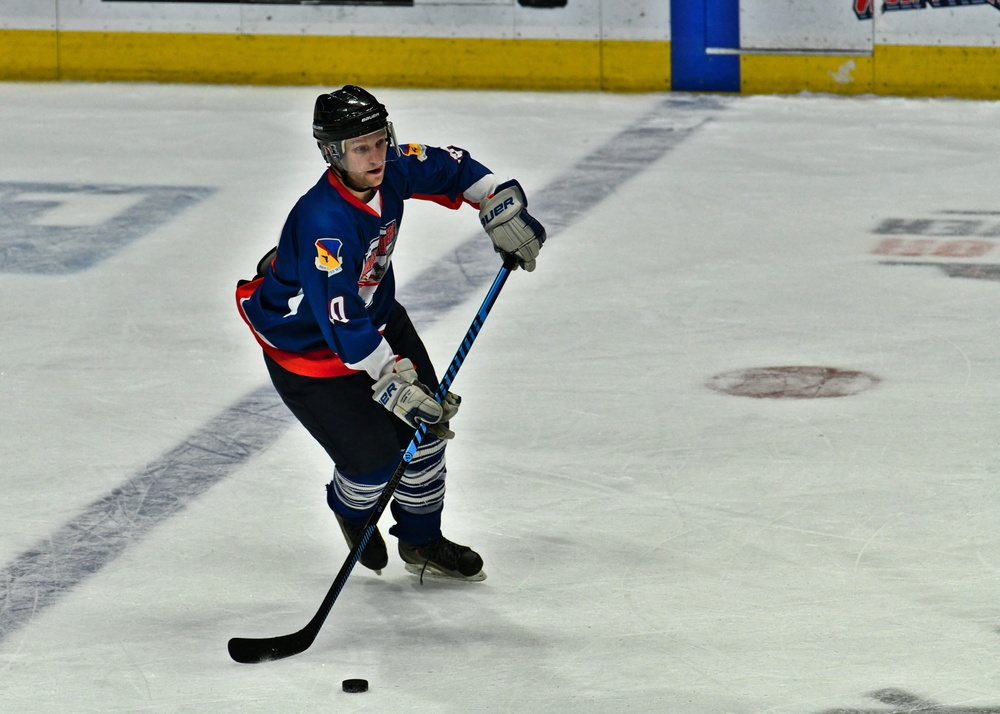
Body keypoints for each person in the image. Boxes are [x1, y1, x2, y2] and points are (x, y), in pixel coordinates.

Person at [235, 85, 545, 582]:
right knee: (375, 467)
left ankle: (421, 542)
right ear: (333, 154)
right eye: (361, 148)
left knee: (427, 428)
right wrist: (389, 374)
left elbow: (452, 166)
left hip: (374, 317)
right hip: (309, 352)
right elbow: (339, 323)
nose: (376, 155)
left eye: (380, 140)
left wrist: (495, 201)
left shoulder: (390, 167)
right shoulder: (325, 224)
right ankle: (349, 506)